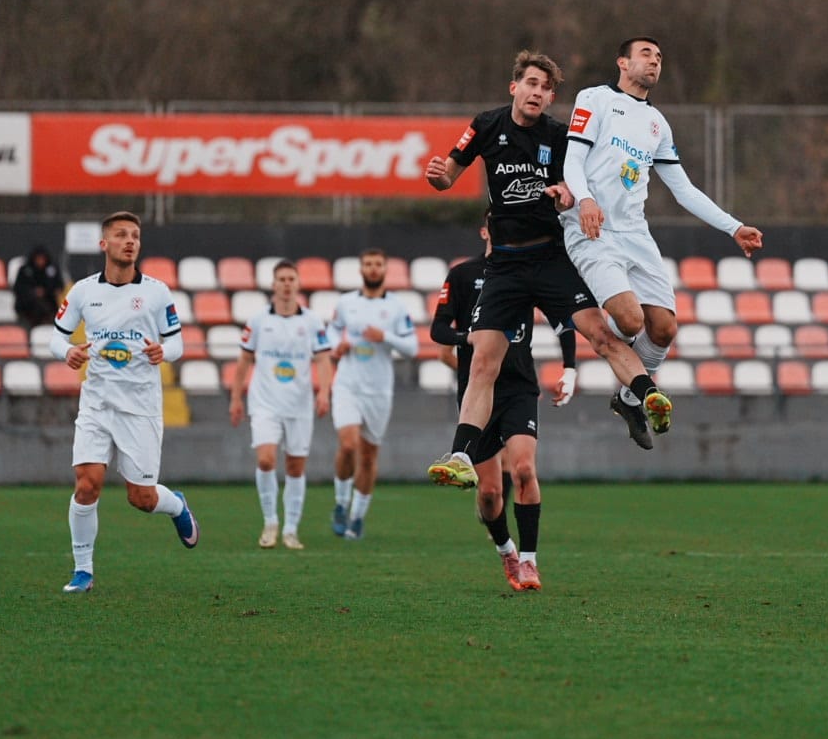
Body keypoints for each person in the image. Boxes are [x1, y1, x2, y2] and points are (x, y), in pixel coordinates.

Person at [423, 49, 666, 488]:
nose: (538, 93)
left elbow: (574, 185)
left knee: (601, 334)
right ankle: (460, 456)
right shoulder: (486, 125)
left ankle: (646, 394)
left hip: (551, 258)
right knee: (483, 362)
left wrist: (567, 195)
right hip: (504, 266)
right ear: (514, 87)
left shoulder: (558, 136)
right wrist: (437, 175)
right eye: (531, 84)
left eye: (547, 88)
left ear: (551, 98)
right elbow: (447, 178)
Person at [560, 37, 763, 445]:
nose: (654, 61)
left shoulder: (657, 124)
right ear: (623, 62)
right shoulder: (595, 99)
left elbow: (683, 190)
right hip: (593, 229)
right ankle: (627, 373)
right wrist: (585, 200)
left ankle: (627, 399)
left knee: (665, 328)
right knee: (630, 320)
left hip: (635, 233)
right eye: (646, 54)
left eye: (659, 57)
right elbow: (573, 159)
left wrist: (734, 227)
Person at [49, 212, 195, 594]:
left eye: (135, 235)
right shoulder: (83, 291)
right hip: (97, 403)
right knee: (87, 484)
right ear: (104, 244)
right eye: (121, 235)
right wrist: (67, 352)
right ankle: (83, 571)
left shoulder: (157, 292)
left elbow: (177, 342)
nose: (130, 241)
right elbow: (56, 337)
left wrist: (164, 351)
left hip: (139, 407)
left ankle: (177, 506)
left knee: (141, 499)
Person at [432, 220, 577, 591]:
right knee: (489, 493)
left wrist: (569, 366)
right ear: (485, 231)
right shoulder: (463, 275)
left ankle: (529, 561)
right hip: (479, 391)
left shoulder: (527, 271)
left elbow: (562, 317)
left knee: (524, 469)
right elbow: (438, 329)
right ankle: (506, 550)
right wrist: (470, 338)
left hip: (518, 388)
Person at [230, 260, 333, 551]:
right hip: (264, 402)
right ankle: (270, 521)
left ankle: (291, 529)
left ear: (298, 284)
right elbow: (244, 361)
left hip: (299, 404)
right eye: (282, 279)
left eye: (291, 279)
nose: (287, 284)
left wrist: (324, 392)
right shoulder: (258, 320)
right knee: (265, 460)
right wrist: (236, 398)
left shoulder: (312, 322)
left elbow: (323, 359)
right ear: (273, 285)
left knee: (295, 467)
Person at [326, 247, 418, 540]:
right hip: (348, 384)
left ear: (385, 269)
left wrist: (385, 336)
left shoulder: (396, 307)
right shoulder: (346, 303)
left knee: (368, 456)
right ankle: (341, 504)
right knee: (348, 445)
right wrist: (336, 346)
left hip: (378, 390)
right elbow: (331, 332)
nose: (373, 268)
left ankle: (357, 517)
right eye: (368, 264)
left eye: (378, 264)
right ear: (361, 268)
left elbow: (412, 347)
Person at [14, 244, 64, 326]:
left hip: (49, 303)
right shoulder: (24, 270)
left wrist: (47, 291)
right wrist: (33, 292)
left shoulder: (52, 270)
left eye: (42, 259)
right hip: (28, 306)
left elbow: (59, 286)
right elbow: (18, 288)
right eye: (38, 259)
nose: (40, 261)